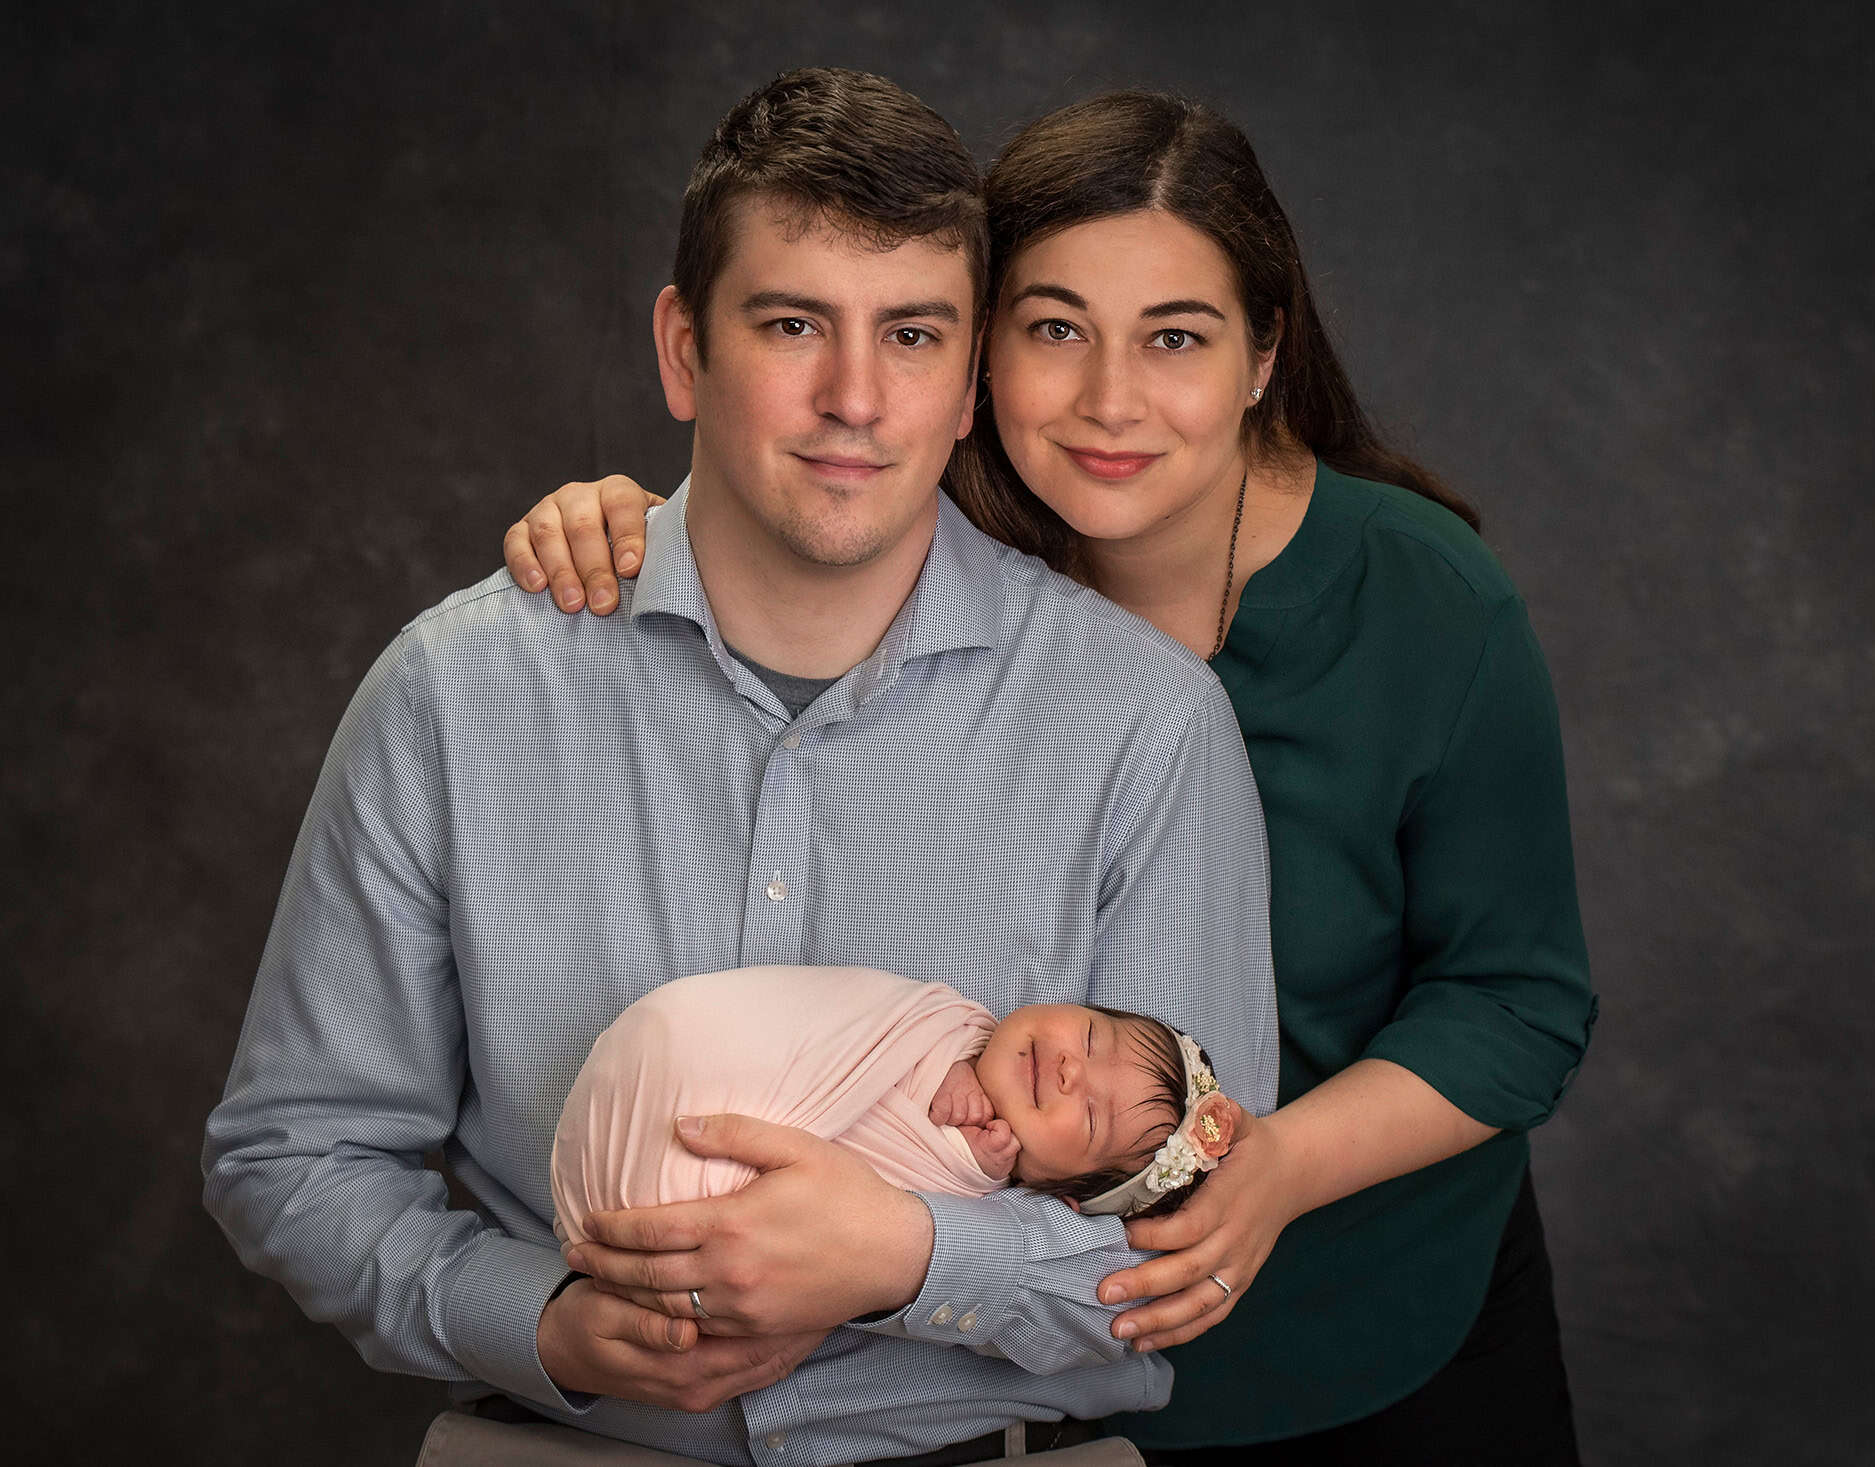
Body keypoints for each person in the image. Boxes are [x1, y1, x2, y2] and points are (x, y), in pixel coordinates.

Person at [203, 70, 1278, 1467]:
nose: (854, 399)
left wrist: (911, 1256)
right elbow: (292, 1153)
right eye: (791, 325)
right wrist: (543, 1324)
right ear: (682, 349)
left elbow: (1192, 1242)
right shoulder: (454, 694)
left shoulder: (1146, 723)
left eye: (911, 334)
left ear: (967, 383)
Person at [509, 90, 1598, 1464]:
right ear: (977, 352)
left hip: (1368, 1319)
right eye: (1054, 329)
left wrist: (1271, 1167)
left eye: (1175, 337)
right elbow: (762, 510)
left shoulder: (1429, 603)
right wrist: (631, 525)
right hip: (1001, 1356)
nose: (1109, 401)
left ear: (1264, 353)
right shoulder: (928, 538)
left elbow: (1517, 999)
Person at [549, 965, 1241, 1255]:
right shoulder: (941, 1018)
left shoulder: (989, 1192)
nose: (1069, 1068)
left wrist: (971, 1163)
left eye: (1090, 1116)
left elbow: (894, 1196)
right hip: (676, 1061)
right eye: (1090, 1035)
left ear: (1066, 1194)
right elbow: (833, 1032)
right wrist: (944, 1070)